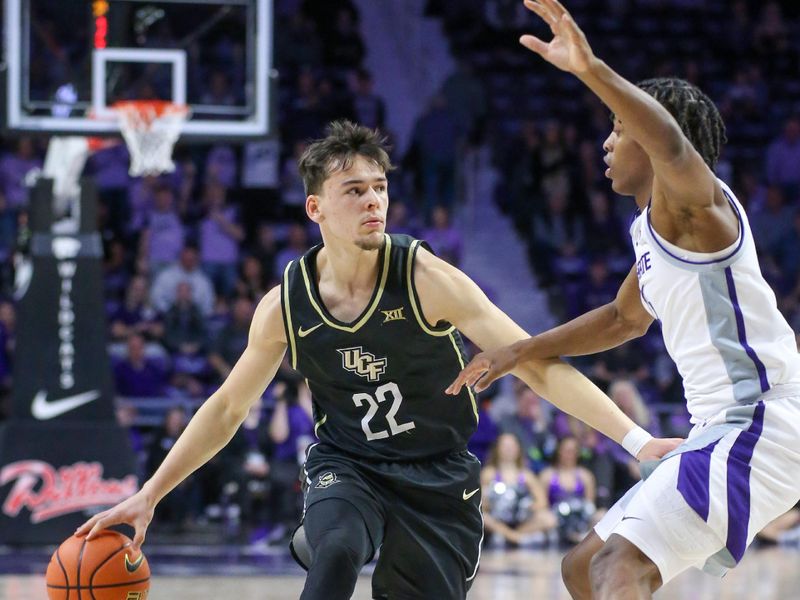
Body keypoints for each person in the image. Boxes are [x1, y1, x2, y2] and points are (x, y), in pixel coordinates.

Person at [76, 120, 678, 600]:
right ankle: (329, 529)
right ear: (315, 209)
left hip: (437, 474)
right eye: (354, 190)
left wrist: (635, 439)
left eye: (380, 187)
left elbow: (533, 362)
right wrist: (150, 494)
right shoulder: (283, 304)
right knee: (336, 550)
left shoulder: (427, 279)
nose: (374, 201)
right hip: (350, 463)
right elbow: (229, 406)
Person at [447, 2, 800, 598]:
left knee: (619, 569)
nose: (606, 141)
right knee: (582, 569)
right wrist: (520, 350)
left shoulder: (701, 211)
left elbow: (672, 145)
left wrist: (592, 70)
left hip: (761, 419)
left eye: (616, 127)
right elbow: (622, 319)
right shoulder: (651, 229)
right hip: (722, 425)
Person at [481, 432, 557, 547]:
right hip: (497, 519)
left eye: (512, 446)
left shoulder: (526, 475)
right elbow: (481, 502)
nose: (508, 450)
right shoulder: (489, 473)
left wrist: (528, 506)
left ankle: (512, 536)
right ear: (497, 449)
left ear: (518, 449)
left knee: (549, 518)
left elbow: (542, 501)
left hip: (522, 520)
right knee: (483, 517)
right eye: (505, 446)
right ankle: (514, 537)